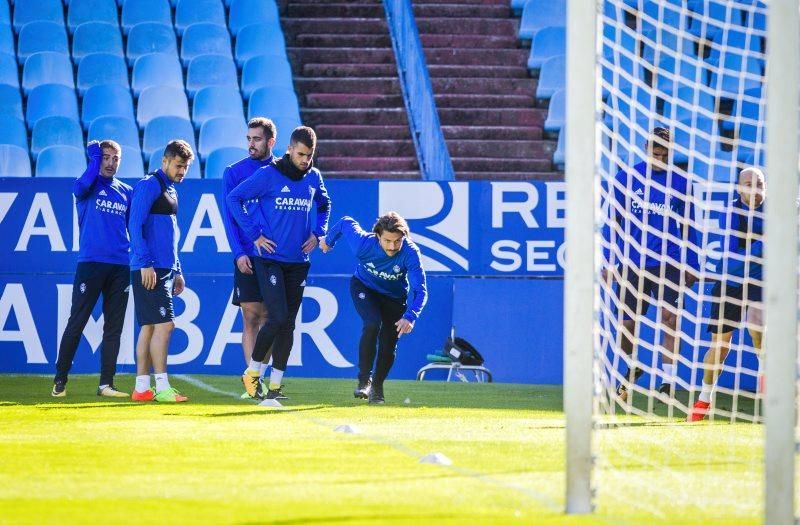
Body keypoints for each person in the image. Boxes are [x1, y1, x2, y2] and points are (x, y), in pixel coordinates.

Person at [227, 126, 331, 401]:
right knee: (278, 317)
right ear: (288, 149)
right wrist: (255, 235)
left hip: (299, 262)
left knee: (289, 325)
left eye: (309, 156)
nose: (305, 161)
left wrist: (319, 232)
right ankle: (251, 373)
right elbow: (234, 199)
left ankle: (275, 386)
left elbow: (324, 204)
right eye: (300, 154)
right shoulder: (269, 174)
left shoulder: (314, 177)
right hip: (270, 260)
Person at [602, 127, 700, 402]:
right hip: (632, 262)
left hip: (668, 262)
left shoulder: (681, 183)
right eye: (654, 153)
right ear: (646, 148)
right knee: (626, 322)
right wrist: (609, 260)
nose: (658, 158)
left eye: (663, 154)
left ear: (670, 153)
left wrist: (692, 262)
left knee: (670, 319)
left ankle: (668, 382)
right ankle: (632, 365)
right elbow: (612, 222)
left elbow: (689, 227)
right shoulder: (626, 177)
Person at [52, 140, 133, 398]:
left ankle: (106, 384)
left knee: (114, 327)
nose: (110, 163)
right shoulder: (88, 185)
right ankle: (60, 379)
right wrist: (94, 158)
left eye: (115, 158)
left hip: (120, 265)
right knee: (77, 321)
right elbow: (80, 186)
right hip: (91, 264)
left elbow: (132, 228)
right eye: (105, 158)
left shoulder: (126, 191)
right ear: (97, 160)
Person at [319, 213, 428, 404]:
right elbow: (345, 222)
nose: (392, 247)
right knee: (372, 323)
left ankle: (377, 387)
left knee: (388, 344)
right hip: (364, 287)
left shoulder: (411, 253)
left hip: (394, 299)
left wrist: (410, 316)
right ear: (378, 236)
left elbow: (421, 290)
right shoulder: (363, 244)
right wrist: (328, 241)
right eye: (387, 241)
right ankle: (363, 381)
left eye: (397, 241)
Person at [688, 167, 765, 422]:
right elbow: (732, 260)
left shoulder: (780, 208)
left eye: (759, 183)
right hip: (730, 281)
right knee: (721, 345)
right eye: (747, 183)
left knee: (758, 326)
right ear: (738, 187)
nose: (753, 189)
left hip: (762, 280)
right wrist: (767, 242)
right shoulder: (732, 212)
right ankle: (704, 399)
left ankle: (766, 383)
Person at [128, 140, 194, 403]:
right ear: (165, 161)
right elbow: (134, 225)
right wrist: (145, 263)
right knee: (166, 326)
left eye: (186, 167)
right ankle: (163, 387)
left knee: (149, 328)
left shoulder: (170, 190)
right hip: (150, 268)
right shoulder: (148, 185)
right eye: (179, 166)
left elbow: (171, 234)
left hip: (164, 268)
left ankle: (142, 388)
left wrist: (177, 269)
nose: (182, 172)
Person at [221, 118, 275, 393]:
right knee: (251, 317)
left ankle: (261, 375)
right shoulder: (234, 172)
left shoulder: (282, 171)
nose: (251, 144)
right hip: (248, 256)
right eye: (249, 139)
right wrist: (239, 253)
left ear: (270, 142)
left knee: (271, 319)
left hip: (276, 257)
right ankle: (254, 381)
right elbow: (229, 218)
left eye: (257, 139)